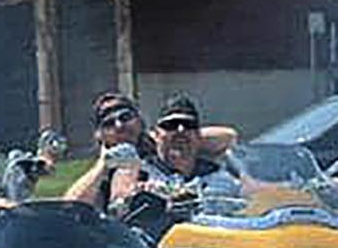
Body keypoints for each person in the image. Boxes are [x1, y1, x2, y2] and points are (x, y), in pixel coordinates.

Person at [64, 91, 239, 212]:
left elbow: (228, 136)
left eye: (126, 118)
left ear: (140, 121)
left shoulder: (158, 145)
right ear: (100, 135)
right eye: (109, 124)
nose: (119, 126)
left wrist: (174, 138)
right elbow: (70, 207)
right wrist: (103, 165)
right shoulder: (112, 169)